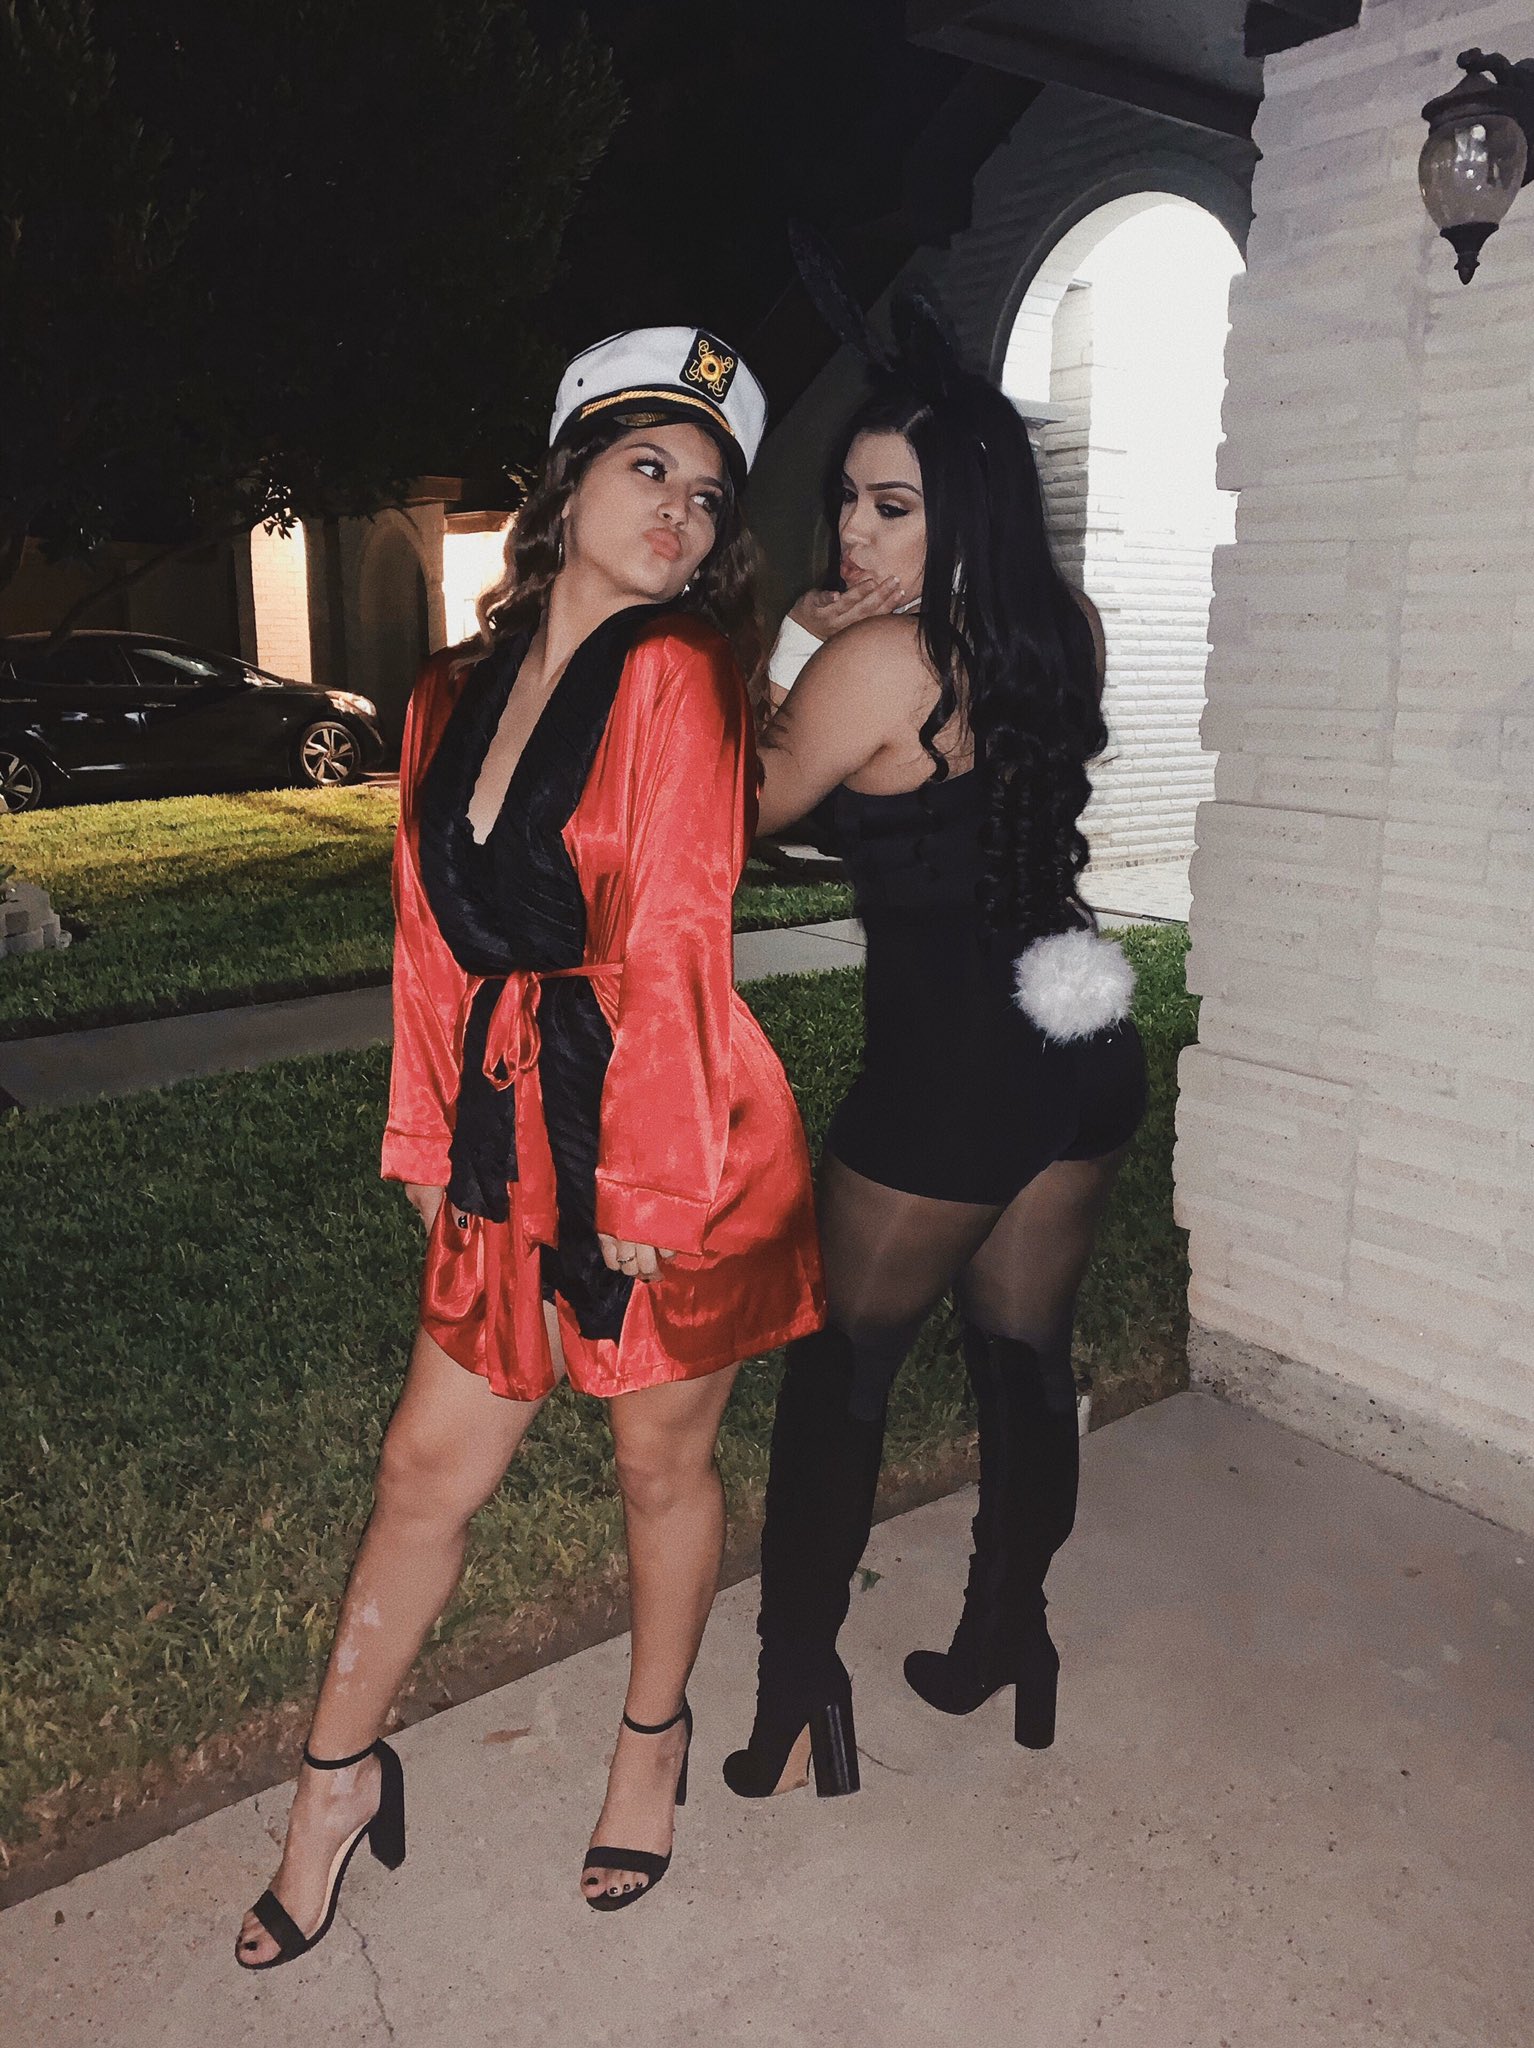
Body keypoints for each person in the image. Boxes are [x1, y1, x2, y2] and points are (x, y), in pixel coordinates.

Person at [236, 327, 824, 1965]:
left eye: (709, 496)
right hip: (510, 1129)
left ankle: (651, 1745)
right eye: (649, 468)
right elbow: (428, 936)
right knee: (424, 1470)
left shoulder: (677, 670)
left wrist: (649, 1180)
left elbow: (680, 933)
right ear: (564, 487)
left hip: (672, 1131)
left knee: (656, 1465)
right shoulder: (443, 693)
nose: (682, 514)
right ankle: (332, 1789)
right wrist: (427, 1129)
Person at [723, 292, 1146, 1801]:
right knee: (1023, 1354)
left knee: (842, 1369)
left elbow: (730, 812)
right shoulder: (1065, 626)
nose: (852, 532)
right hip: (1079, 1041)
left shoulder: (878, 662)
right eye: (846, 499)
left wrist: (793, 644)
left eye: (890, 507)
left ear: (963, 509)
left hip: (954, 1071)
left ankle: (794, 1690)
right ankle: (1005, 1639)